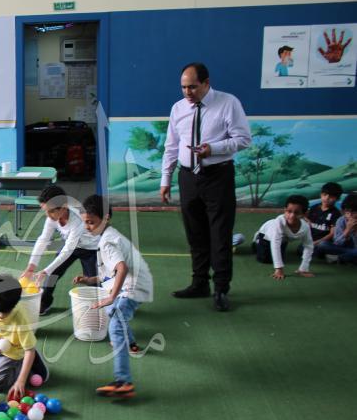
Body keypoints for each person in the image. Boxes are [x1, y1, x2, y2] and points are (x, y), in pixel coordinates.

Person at [160, 62, 251, 311]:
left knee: (220, 234)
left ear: (206, 83)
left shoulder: (228, 103)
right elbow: (171, 145)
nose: (187, 92)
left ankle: (221, 288)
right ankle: (199, 283)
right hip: (188, 177)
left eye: (192, 87)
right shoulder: (178, 108)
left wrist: (214, 149)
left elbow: (243, 139)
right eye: (183, 87)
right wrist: (166, 179)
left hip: (218, 176)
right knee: (195, 233)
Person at [73, 195, 153, 398]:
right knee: (113, 312)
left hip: (133, 287)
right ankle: (131, 344)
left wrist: (111, 297)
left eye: (91, 222)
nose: (87, 227)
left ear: (106, 218)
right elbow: (111, 272)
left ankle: (123, 382)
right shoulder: (108, 235)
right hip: (134, 283)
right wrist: (90, 279)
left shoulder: (108, 241)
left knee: (115, 324)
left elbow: (122, 268)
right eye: (85, 222)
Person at [20, 185, 99, 315]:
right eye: (45, 211)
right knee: (53, 273)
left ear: (63, 208)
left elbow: (67, 250)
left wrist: (45, 271)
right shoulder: (51, 217)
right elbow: (43, 240)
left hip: (91, 248)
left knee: (94, 281)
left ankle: (107, 301)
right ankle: (44, 302)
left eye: (51, 211)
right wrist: (31, 267)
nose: (48, 215)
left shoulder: (78, 219)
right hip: (71, 245)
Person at [252, 194, 315, 279]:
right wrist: (279, 269)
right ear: (285, 210)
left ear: (305, 214)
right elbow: (275, 244)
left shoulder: (305, 227)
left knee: (280, 257)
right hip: (266, 235)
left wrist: (304, 268)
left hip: (283, 240)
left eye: (297, 213)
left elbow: (309, 246)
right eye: (289, 211)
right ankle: (256, 242)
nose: (292, 216)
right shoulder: (279, 222)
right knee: (265, 259)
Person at [317, 194, 357, 264]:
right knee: (322, 245)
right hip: (344, 249)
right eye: (347, 212)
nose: (350, 215)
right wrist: (347, 230)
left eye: (353, 212)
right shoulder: (341, 220)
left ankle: (337, 258)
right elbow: (337, 243)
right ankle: (347, 258)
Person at [306, 182, 343, 252]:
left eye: (331, 196)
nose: (327, 198)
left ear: (337, 198)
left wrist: (316, 243)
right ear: (321, 194)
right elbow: (306, 220)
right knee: (301, 248)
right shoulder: (313, 208)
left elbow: (332, 234)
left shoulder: (336, 213)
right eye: (325, 194)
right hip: (311, 241)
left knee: (323, 245)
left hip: (324, 242)